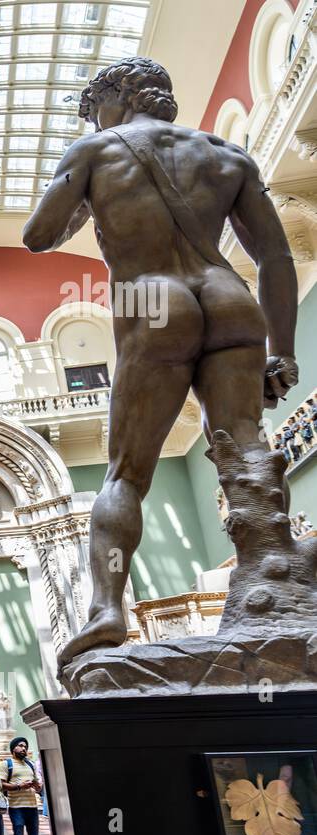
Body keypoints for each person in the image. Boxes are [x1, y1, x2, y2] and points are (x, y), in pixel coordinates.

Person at [23, 57, 300, 668]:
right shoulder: (225, 155)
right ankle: (275, 587)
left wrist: (84, 195)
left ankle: (106, 609)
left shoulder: (95, 149)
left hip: (153, 298)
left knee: (126, 474)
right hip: (231, 298)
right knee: (244, 451)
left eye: (95, 107)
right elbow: (277, 259)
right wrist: (283, 351)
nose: (94, 119)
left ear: (118, 96)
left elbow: (39, 233)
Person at [0, 737, 43, 835]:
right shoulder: (7, 764)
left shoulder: (30, 764)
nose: (24, 748)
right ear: (13, 748)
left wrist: (36, 785)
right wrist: (20, 786)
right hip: (16, 807)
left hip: (32, 807)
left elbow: (38, 787)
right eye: (21, 746)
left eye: (25, 746)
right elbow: (1, 785)